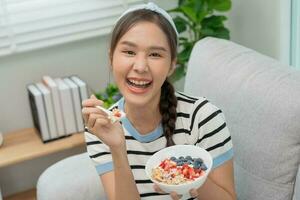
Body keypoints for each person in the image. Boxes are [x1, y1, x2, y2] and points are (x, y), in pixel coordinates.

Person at [82, 2, 236, 200]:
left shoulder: (203, 117)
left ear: (172, 65)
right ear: (111, 57)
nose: (140, 66)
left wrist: (189, 176)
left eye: (155, 54)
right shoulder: (101, 128)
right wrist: (118, 149)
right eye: (129, 52)